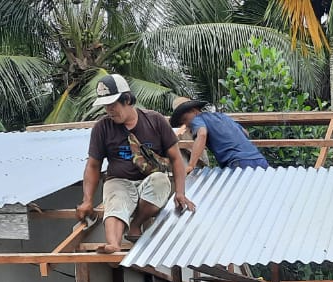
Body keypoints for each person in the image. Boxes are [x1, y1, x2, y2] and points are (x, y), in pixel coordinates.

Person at [75, 74, 197, 254]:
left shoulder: (154, 120)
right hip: (119, 181)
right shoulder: (102, 128)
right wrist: (87, 201)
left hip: (149, 182)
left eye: (113, 105)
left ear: (127, 100)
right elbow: (93, 165)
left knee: (160, 181)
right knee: (115, 198)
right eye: (106, 106)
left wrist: (180, 192)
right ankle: (114, 243)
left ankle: (136, 224)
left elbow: (176, 158)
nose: (109, 110)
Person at [169, 97, 268, 171]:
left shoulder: (197, 119)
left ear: (194, 111)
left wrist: (191, 165)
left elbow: (202, 134)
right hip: (259, 159)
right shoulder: (222, 117)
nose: (186, 125)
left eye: (185, 120)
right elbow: (245, 133)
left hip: (238, 162)